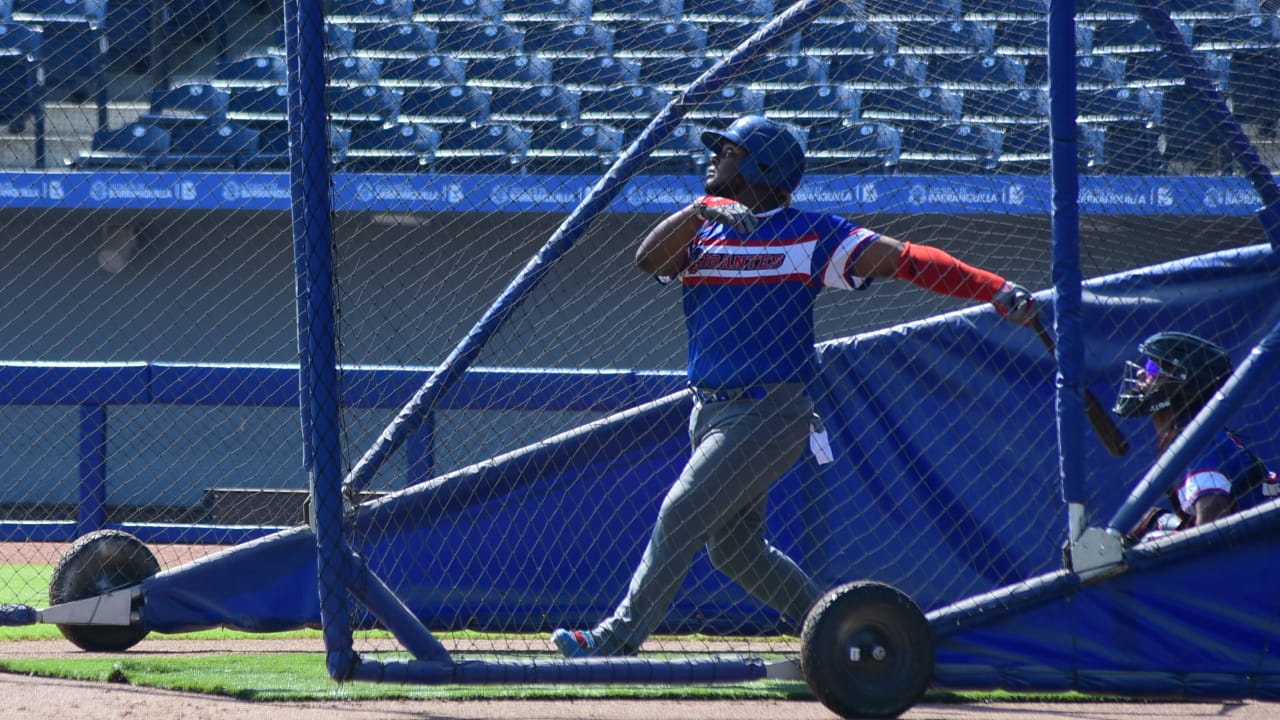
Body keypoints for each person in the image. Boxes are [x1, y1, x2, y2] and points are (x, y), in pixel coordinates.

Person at [551, 114, 1036, 658]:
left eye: (729, 151)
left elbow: (905, 259)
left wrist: (993, 289)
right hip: (709, 413)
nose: (714, 157)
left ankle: (615, 640)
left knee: (681, 512)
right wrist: (700, 209)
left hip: (768, 412)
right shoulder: (705, 227)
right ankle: (840, 640)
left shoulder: (813, 233)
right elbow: (648, 260)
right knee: (736, 553)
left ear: (760, 165)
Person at [1114, 331, 1279, 543]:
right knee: (1149, 522)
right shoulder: (1192, 433)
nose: (1141, 375)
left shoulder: (1195, 441)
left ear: (1184, 383)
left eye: (1153, 368)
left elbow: (1212, 523)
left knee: (1152, 539)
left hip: (1266, 550)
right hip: (1261, 541)